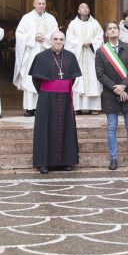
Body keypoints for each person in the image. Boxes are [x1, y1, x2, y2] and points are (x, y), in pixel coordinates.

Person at [30, 31, 82, 174]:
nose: (58, 42)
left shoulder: (70, 57)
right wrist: (47, 92)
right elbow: (36, 80)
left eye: (61, 39)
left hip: (65, 98)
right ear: (50, 41)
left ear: (64, 41)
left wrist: (62, 88)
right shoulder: (41, 57)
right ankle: (43, 163)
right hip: (46, 98)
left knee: (66, 127)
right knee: (45, 128)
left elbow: (73, 78)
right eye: (55, 39)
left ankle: (66, 161)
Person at [94, 21, 128, 170]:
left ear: (119, 32)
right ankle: (113, 159)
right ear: (106, 33)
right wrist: (115, 88)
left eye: (115, 28)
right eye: (110, 28)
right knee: (112, 127)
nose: (113, 30)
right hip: (110, 93)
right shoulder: (101, 51)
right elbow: (100, 74)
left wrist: (123, 86)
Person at [14, 0, 57, 117]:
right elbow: (19, 34)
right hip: (31, 53)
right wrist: (33, 37)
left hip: (46, 52)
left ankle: (43, 108)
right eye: (39, 3)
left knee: (45, 80)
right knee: (30, 80)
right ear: (34, 4)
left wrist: (45, 38)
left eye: (43, 4)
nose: (41, 6)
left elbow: (56, 34)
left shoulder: (51, 18)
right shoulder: (26, 18)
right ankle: (30, 108)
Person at [65, 3, 104, 114]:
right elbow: (69, 39)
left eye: (87, 7)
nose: (85, 9)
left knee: (93, 79)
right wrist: (81, 43)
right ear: (78, 10)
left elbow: (100, 37)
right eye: (82, 7)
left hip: (91, 56)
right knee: (78, 80)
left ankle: (94, 107)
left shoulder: (95, 23)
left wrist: (92, 43)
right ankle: (77, 107)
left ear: (89, 10)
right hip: (78, 56)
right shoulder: (73, 24)